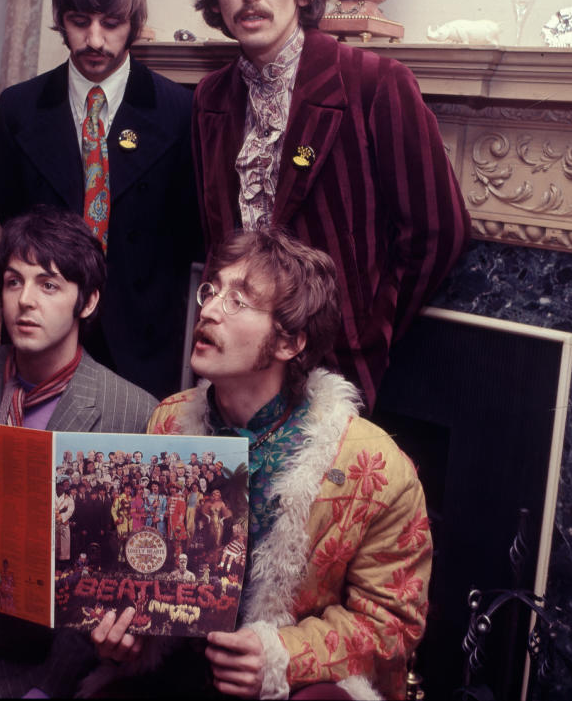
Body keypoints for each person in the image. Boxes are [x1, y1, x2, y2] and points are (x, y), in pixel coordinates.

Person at [90, 227, 431, 700]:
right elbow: (146, 567)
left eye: (239, 301)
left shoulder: (375, 467)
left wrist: (279, 657)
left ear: (290, 343)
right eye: (213, 291)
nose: (207, 308)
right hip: (184, 668)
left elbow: (392, 624)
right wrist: (128, 631)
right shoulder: (168, 421)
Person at [190, 0, 470, 410]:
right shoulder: (210, 98)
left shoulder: (374, 83)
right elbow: (218, 238)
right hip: (236, 370)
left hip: (333, 371)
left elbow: (439, 231)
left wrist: (366, 328)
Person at [0, 207, 158, 698]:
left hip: (55, 652)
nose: (25, 301)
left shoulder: (131, 410)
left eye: (49, 285)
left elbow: (120, 574)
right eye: (14, 282)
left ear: (88, 301)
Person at [0, 0, 203, 399]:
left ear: (135, 24)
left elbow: (190, 234)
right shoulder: (19, 108)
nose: (94, 40)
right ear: (60, 20)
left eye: (111, 23)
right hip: (43, 338)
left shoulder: (180, 111)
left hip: (143, 346)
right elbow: (10, 217)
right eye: (79, 21)